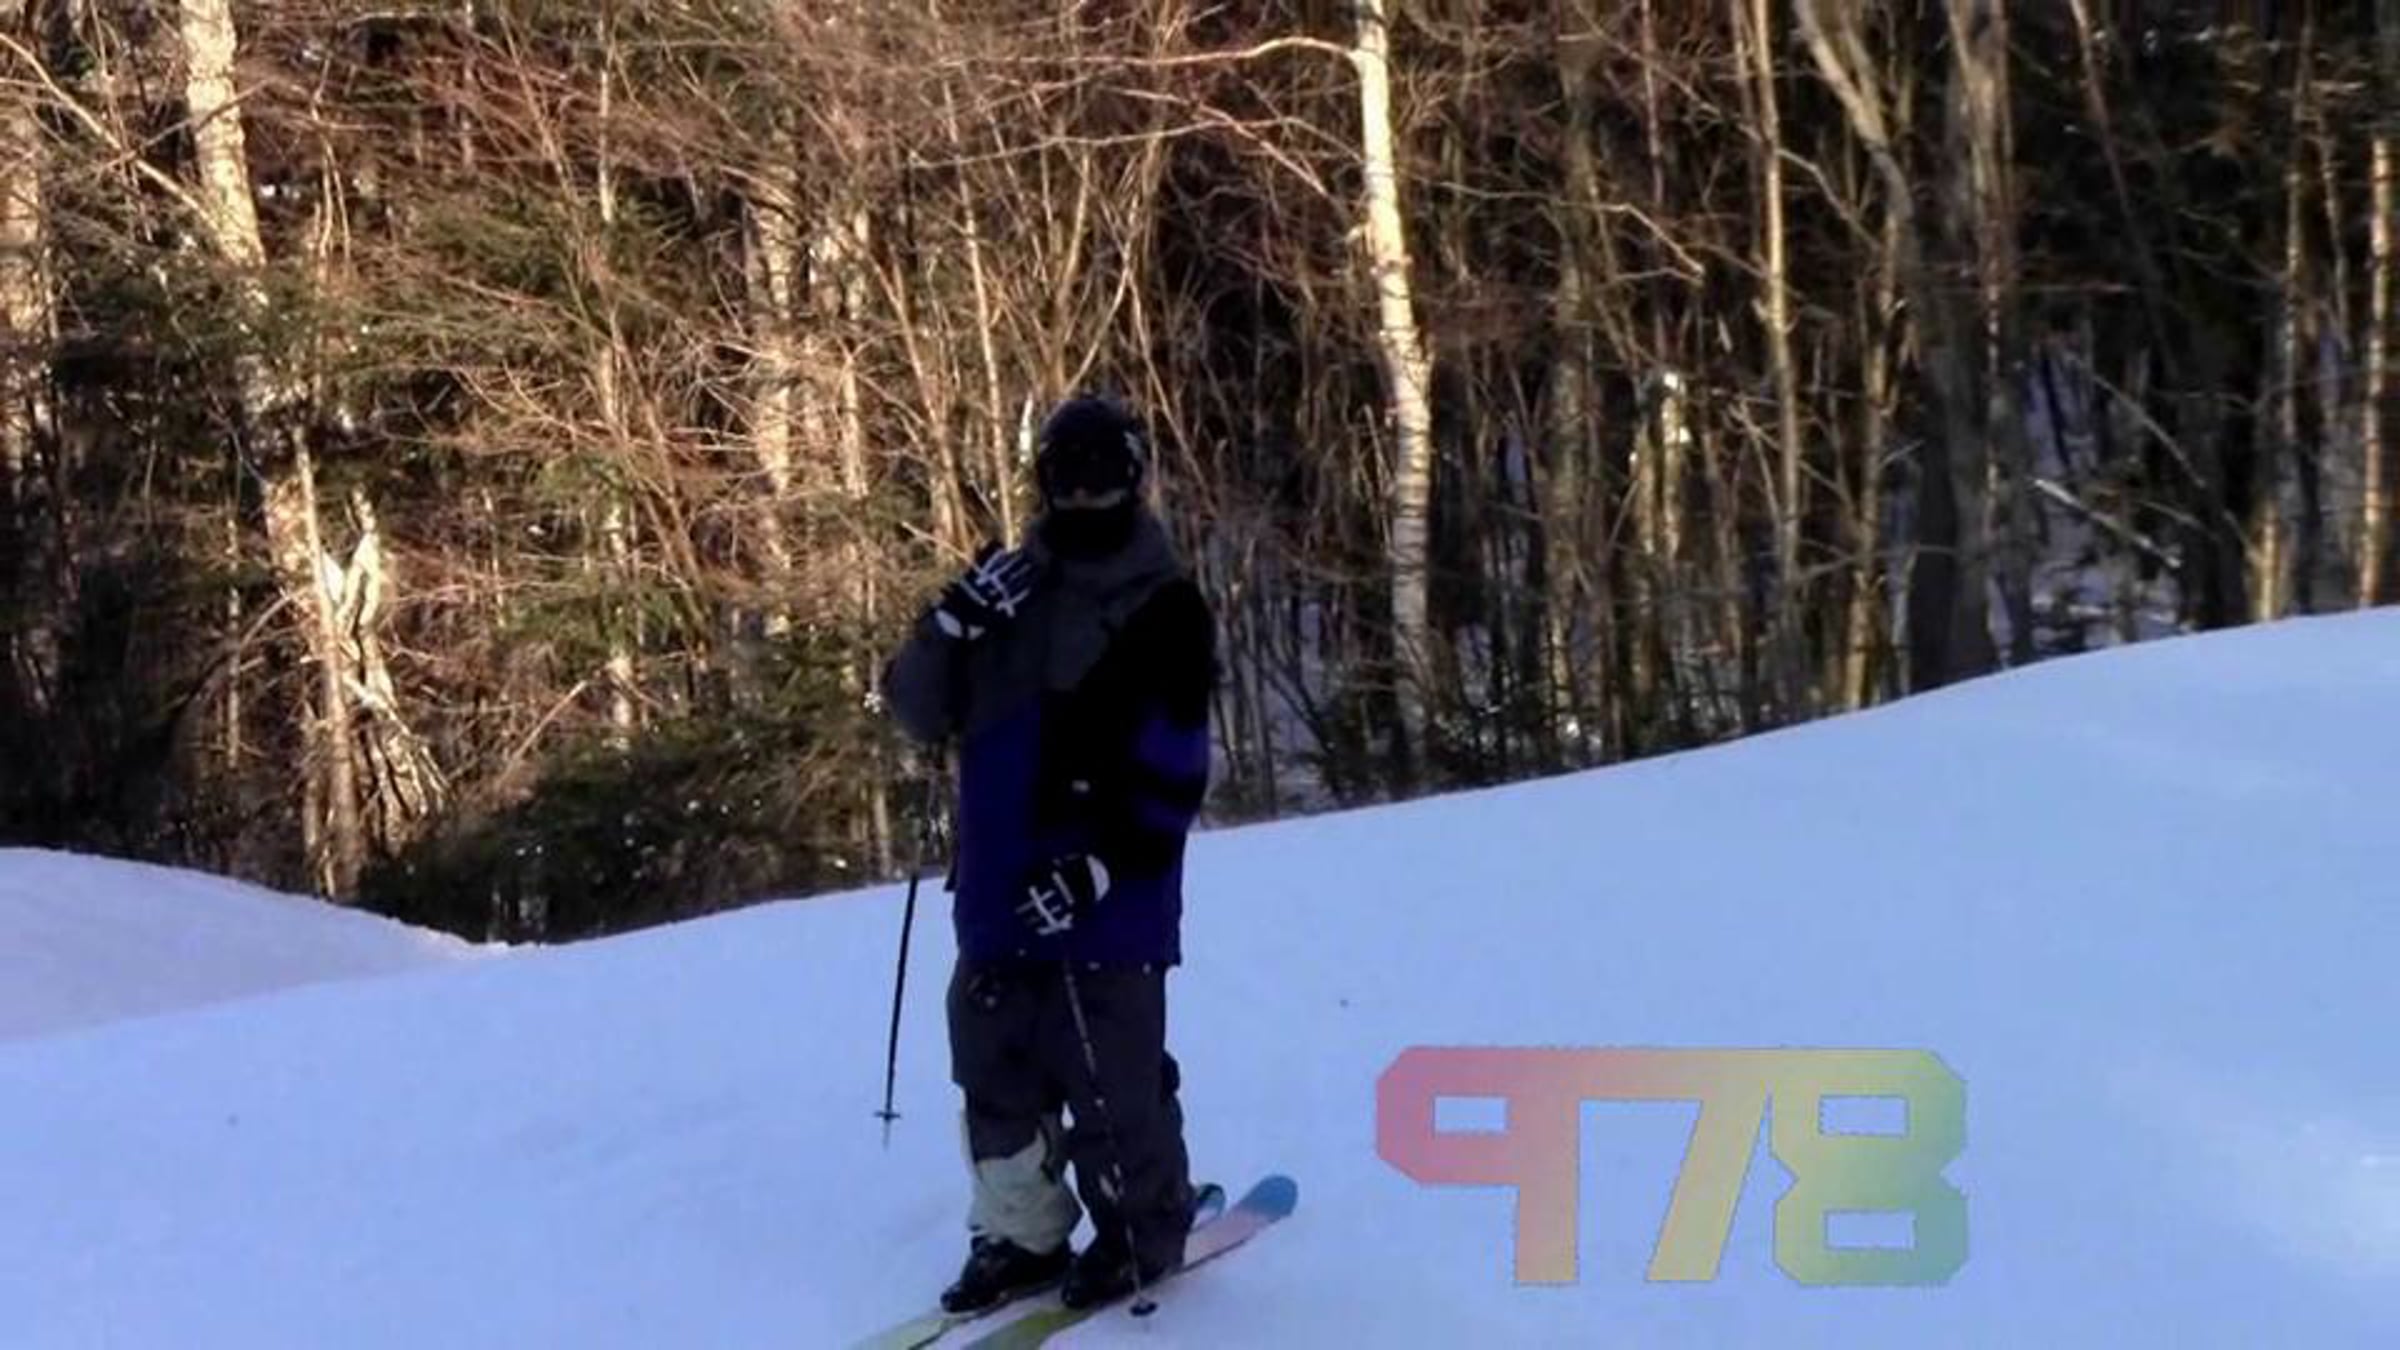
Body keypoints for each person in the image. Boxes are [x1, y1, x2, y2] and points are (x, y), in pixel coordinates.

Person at [882, 394, 1215, 1314]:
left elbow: (1179, 770)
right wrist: (947, 628)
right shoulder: (1005, 591)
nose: (1084, 495)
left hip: (1111, 900)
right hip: (998, 888)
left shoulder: (1167, 607)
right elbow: (916, 711)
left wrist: (1101, 866)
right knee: (994, 1071)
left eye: (1103, 476)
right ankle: (1021, 1236)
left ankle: (1141, 1229)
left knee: (1109, 1075)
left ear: (1134, 478)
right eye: (1067, 477)